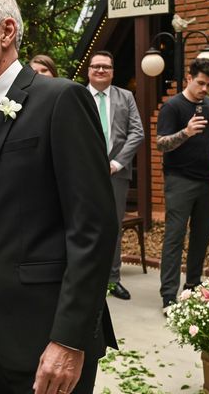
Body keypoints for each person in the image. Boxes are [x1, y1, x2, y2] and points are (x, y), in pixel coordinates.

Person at [0, 0, 118, 394]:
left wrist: (68, 340)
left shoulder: (61, 101)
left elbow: (93, 229)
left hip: (48, 338)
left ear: (6, 32)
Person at [157, 57, 209, 314]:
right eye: (201, 83)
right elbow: (161, 143)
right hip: (180, 180)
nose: (205, 89)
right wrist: (185, 132)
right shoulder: (172, 107)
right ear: (189, 78)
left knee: (202, 236)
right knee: (174, 237)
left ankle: (194, 286)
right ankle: (169, 297)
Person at [86, 50, 144, 301]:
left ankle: (112, 280)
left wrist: (118, 163)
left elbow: (137, 132)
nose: (100, 70)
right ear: (89, 70)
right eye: (96, 66)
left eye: (106, 67)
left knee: (113, 227)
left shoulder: (126, 96)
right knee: (82, 225)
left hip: (116, 175)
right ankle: (86, 279)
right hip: (82, 173)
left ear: (112, 71)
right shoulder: (76, 95)